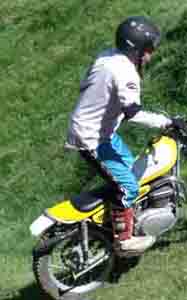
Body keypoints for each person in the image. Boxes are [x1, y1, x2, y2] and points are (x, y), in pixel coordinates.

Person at [66, 16, 174, 254]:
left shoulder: (108, 56)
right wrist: (164, 122)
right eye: (149, 49)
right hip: (92, 139)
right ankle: (123, 240)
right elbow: (133, 113)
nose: (151, 54)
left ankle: (122, 214)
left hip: (100, 131)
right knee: (128, 188)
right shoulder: (126, 72)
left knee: (131, 169)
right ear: (136, 50)